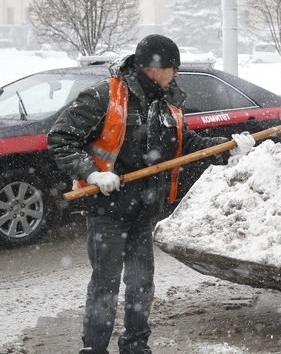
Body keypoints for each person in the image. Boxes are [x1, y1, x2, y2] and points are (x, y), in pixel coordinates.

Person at [47, 34, 256, 354]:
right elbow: (60, 139)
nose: (176, 74)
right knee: (105, 287)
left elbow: (189, 146)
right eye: (173, 67)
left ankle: (135, 347)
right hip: (108, 212)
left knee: (141, 285)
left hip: (146, 211)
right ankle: (94, 349)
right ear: (153, 67)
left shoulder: (167, 103)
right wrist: (91, 173)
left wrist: (229, 148)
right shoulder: (106, 96)